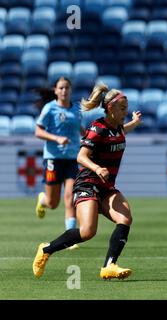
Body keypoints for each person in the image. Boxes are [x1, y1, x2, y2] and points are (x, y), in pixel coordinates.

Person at [32, 83, 142, 280]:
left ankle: (109, 266)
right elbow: (81, 156)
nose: (126, 111)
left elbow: (122, 132)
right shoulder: (97, 128)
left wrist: (134, 122)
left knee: (125, 218)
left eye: (127, 108)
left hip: (106, 187)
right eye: (123, 108)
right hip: (88, 183)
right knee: (87, 231)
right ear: (110, 108)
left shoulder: (117, 129)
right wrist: (98, 168)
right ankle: (46, 249)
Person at [34, 77, 84, 249]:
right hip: (53, 159)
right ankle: (43, 200)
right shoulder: (50, 109)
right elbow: (38, 131)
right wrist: (56, 138)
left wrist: (88, 139)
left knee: (71, 198)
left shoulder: (77, 109)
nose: (64, 91)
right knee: (53, 203)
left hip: (72, 159)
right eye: (61, 88)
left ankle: (70, 238)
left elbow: (80, 128)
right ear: (55, 90)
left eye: (67, 88)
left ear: (71, 90)